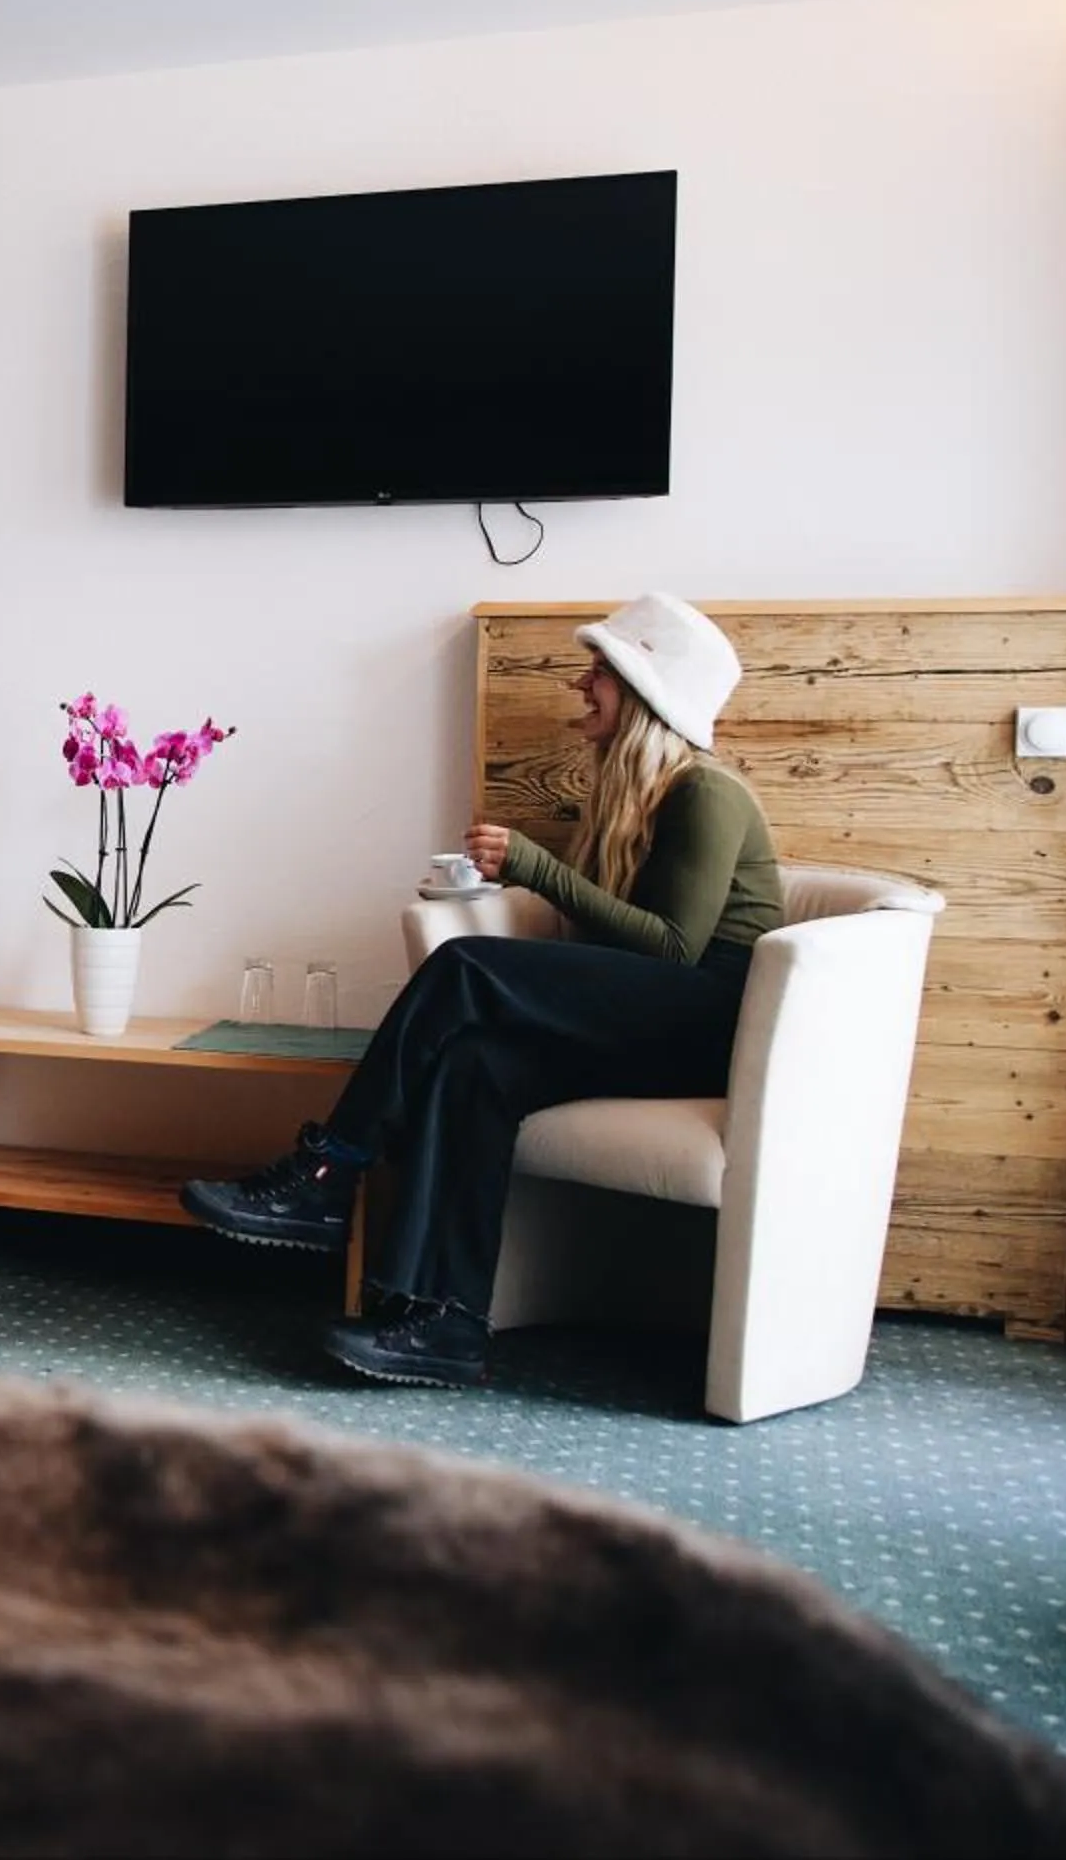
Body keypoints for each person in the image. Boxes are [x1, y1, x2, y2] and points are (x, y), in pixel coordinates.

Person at [181, 593, 784, 1388]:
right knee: (477, 1069)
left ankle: (327, 1171)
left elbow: (673, 952)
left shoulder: (708, 792)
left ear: (645, 693)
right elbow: (617, 950)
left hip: (708, 1025)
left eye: (599, 672)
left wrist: (537, 869)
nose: (582, 685)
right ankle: (442, 1323)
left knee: (466, 967)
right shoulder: (628, 796)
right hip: (655, 1020)